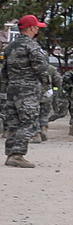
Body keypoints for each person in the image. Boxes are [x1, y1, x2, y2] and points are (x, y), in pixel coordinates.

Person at [3, 15, 51, 167]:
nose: (38, 29)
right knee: (29, 122)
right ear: (31, 28)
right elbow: (41, 69)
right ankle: (17, 155)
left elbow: (4, 71)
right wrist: (48, 87)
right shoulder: (32, 46)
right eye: (37, 27)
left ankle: (11, 153)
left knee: (13, 122)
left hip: (12, 89)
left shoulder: (9, 46)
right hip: (28, 90)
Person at [33, 65, 61, 142]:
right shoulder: (51, 68)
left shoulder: (29, 67)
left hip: (32, 94)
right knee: (44, 114)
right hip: (47, 94)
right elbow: (58, 81)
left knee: (33, 115)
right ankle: (44, 129)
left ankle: (37, 134)